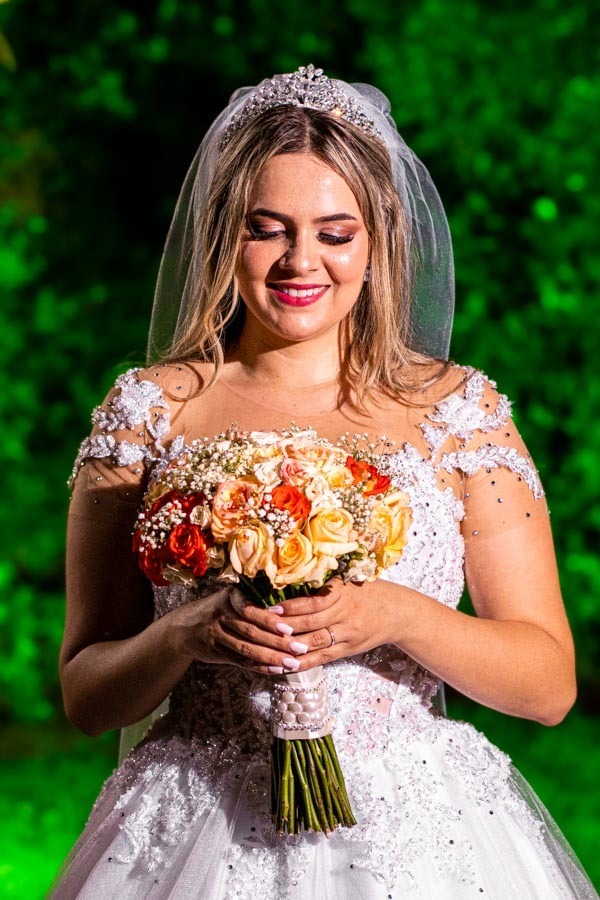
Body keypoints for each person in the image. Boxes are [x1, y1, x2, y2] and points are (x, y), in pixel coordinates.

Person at [52, 66, 597, 898]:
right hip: (197, 822)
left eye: (335, 234)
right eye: (266, 230)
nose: (300, 261)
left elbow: (550, 684)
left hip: (420, 838)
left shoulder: (461, 413)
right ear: (222, 236)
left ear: (378, 242)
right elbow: (87, 696)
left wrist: (396, 614)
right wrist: (185, 635)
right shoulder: (147, 412)